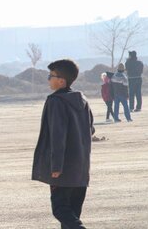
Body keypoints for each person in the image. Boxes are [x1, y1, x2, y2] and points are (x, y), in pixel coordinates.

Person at [32, 59, 94, 229]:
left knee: (60, 210)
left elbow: (57, 137)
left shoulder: (56, 102)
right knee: (71, 215)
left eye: (50, 76)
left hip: (63, 171)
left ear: (61, 81)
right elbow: (91, 129)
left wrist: (56, 167)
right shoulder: (82, 100)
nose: (48, 79)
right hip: (81, 170)